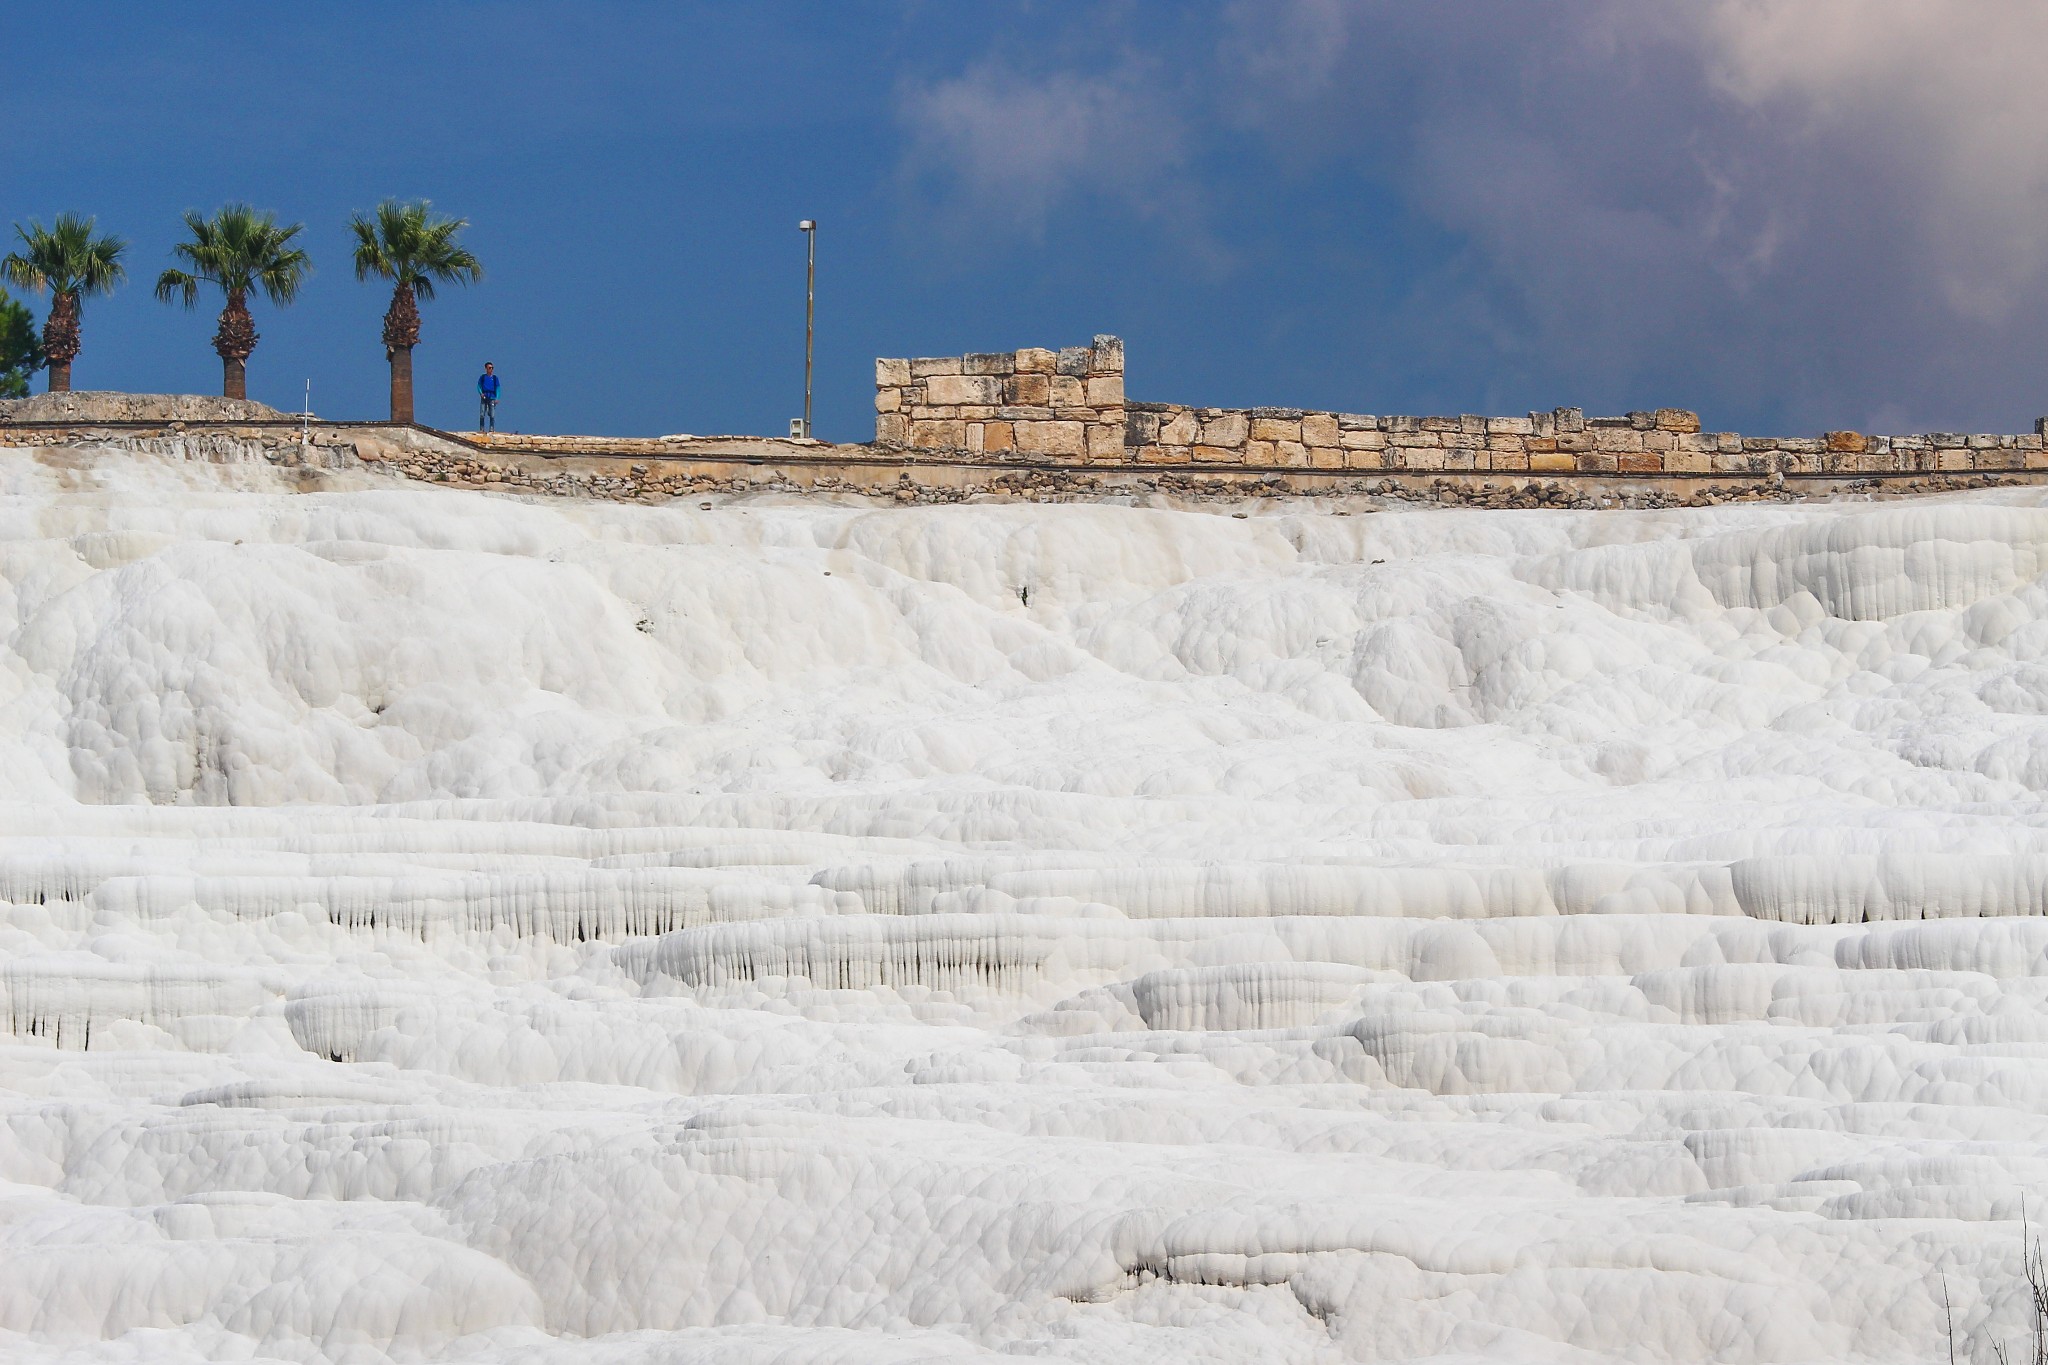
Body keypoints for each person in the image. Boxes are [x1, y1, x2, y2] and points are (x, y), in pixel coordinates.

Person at [477, 362, 500, 432]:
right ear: (486, 368)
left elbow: (498, 388)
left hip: (492, 397)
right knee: (482, 414)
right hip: (484, 397)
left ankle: (491, 428)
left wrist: (497, 397)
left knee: (492, 414)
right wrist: (481, 393)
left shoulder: (495, 378)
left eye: (492, 368)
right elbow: (478, 386)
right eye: (489, 368)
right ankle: (482, 428)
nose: (491, 369)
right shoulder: (483, 377)